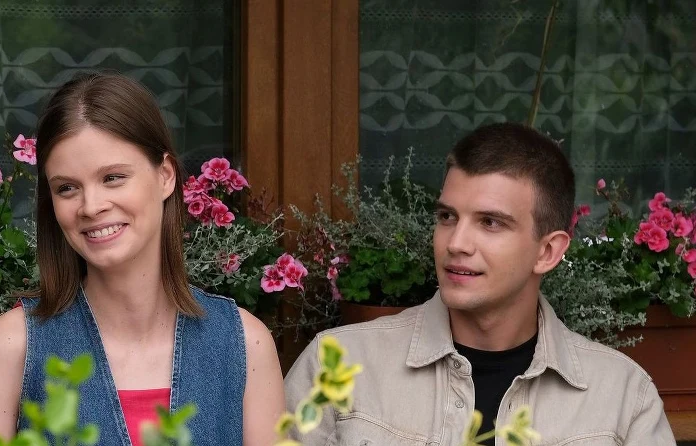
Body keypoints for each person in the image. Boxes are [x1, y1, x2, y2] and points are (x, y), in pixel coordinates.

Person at [284, 122, 675, 444]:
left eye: (490, 222)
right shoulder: (338, 364)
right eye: (447, 217)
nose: (456, 243)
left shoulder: (622, 398)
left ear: (547, 252)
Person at [0, 72, 284, 445]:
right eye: (67, 188)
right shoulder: (11, 346)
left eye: (112, 178)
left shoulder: (245, 344)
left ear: (165, 176)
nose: (91, 206)